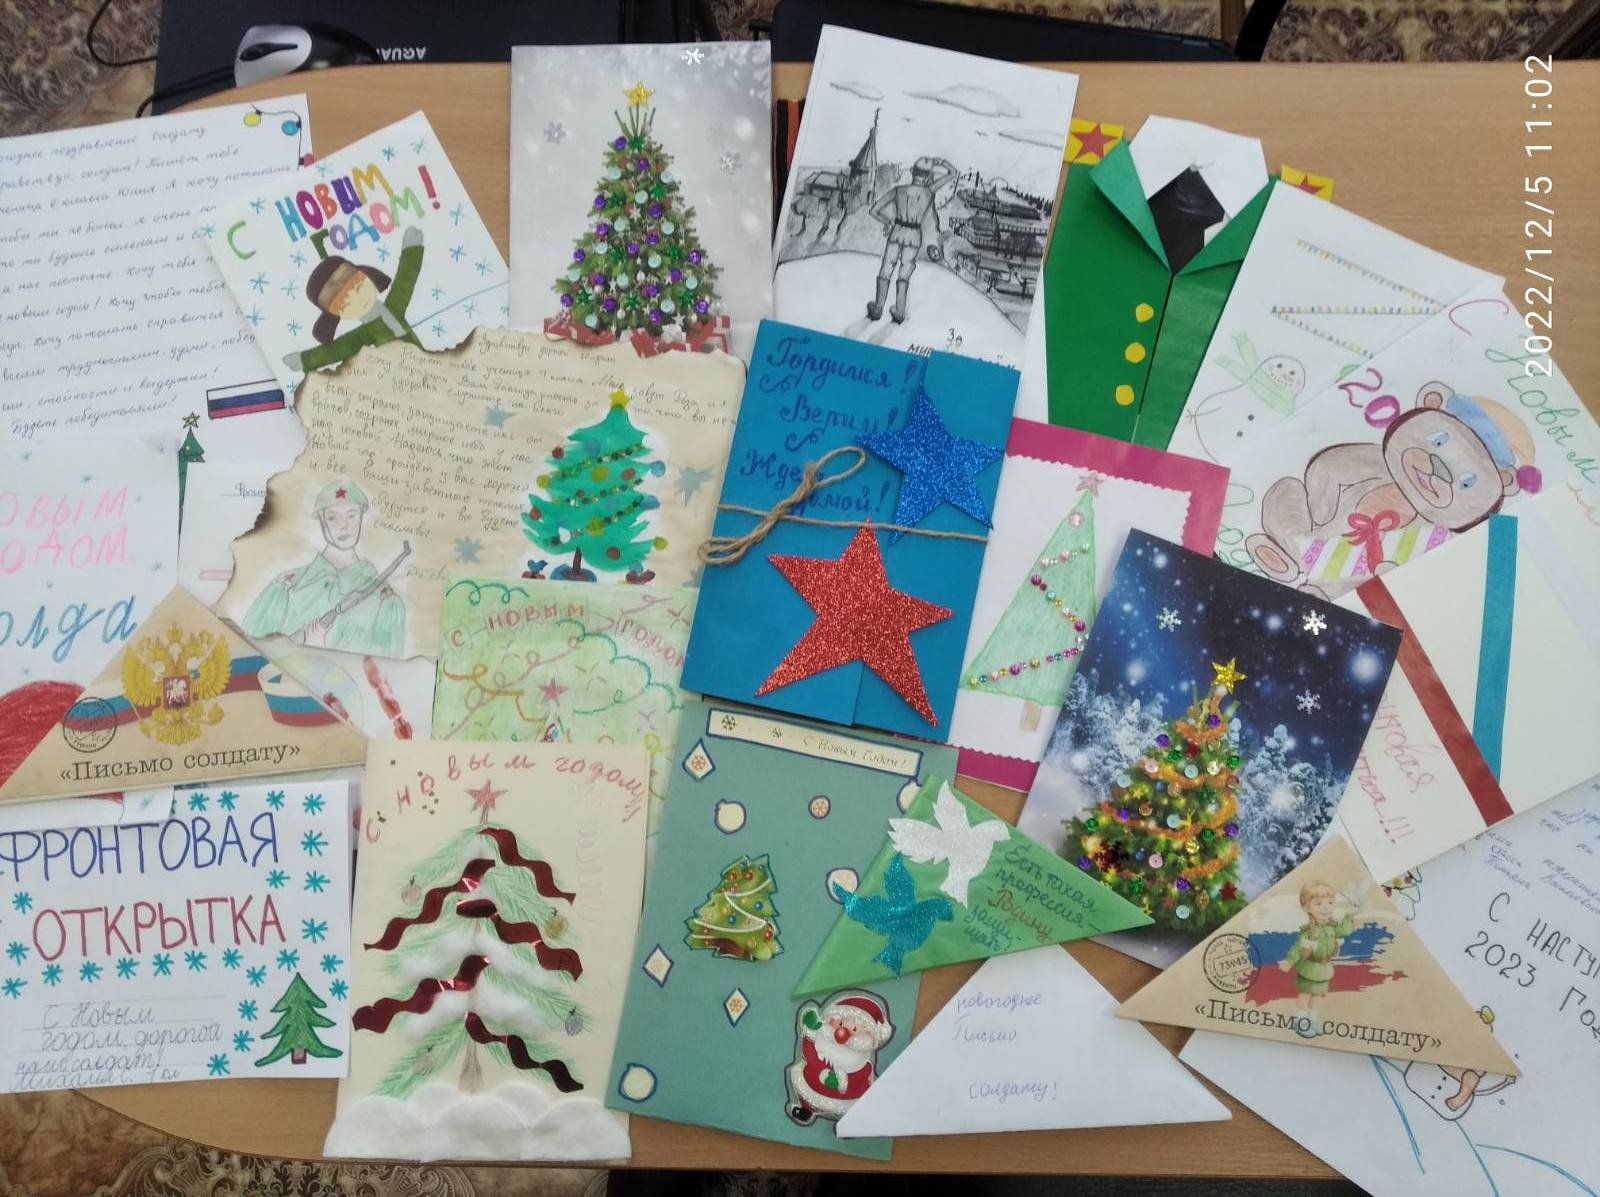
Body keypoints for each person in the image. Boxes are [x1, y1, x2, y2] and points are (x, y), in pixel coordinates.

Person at [242, 481, 406, 657]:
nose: (344, 525)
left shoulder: (384, 601)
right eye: (332, 517)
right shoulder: (286, 586)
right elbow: (247, 655)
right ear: (321, 521)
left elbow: (383, 669)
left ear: (361, 517)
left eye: (352, 515)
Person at [284, 225, 425, 374]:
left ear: (366, 275)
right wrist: (304, 359)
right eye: (345, 305)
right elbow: (336, 350)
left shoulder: (394, 306)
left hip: (430, 368)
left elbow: (405, 280)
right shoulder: (364, 334)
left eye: (358, 287)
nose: (358, 300)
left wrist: (411, 250)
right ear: (334, 315)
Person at [865, 156, 956, 324]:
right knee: (904, 274)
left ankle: (877, 309)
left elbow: (873, 210)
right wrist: (940, 162)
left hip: (897, 232)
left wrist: (887, 222)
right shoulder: (929, 191)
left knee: (886, 270)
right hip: (914, 236)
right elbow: (953, 173)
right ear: (928, 176)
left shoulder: (899, 190)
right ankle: (899, 312)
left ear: (912, 171)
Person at [1279, 880, 1356, 1033]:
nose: (1326, 907)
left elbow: (1345, 931)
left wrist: (1349, 916)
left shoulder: (1332, 927)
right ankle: (1302, 1022)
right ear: (1307, 908)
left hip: (1324, 969)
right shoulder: (1308, 931)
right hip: (1309, 968)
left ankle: (1313, 1021)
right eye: (1318, 904)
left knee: (1318, 996)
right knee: (1305, 995)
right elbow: (1297, 947)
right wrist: (1289, 960)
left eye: (1330, 902)